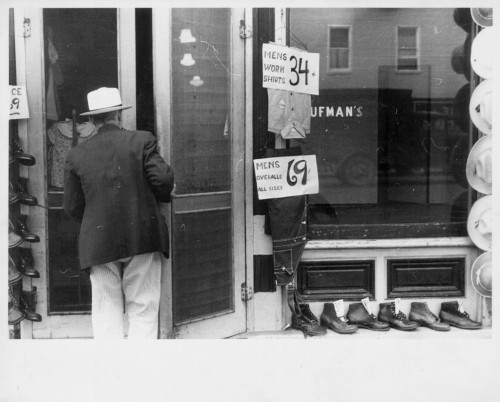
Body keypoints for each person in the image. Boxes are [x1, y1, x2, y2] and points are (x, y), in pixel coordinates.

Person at [63, 87, 174, 339]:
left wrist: (97, 220)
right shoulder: (142, 140)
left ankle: (111, 372)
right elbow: (163, 179)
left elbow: (71, 206)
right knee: (143, 306)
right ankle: (140, 371)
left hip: (98, 241)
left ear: (92, 120)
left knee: (106, 310)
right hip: (142, 235)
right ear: (119, 116)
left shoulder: (76, 154)